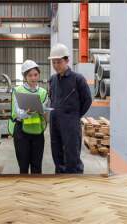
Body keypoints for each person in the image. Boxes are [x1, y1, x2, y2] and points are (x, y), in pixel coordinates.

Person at [48, 43, 92, 174]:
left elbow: (87, 100)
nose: (56, 65)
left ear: (67, 60)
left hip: (71, 123)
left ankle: (74, 182)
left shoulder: (78, 79)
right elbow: (52, 99)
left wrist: (74, 115)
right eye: (53, 62)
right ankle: (60, 177)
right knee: (57, 153)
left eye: (58, 62)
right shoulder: (52, 80)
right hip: (55, 122)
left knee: (72, 154)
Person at [8, 60, 48, 174]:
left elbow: (44, 110)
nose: (33, 78)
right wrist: (28, 112)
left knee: (37, 167)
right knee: (23, 166)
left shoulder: (43, 92)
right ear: (25, 77)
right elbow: (18, 113)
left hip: (37, 133)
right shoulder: (18, 90)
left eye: (35, 75)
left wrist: (43, 111)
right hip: (21, 133)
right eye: (30, 75)